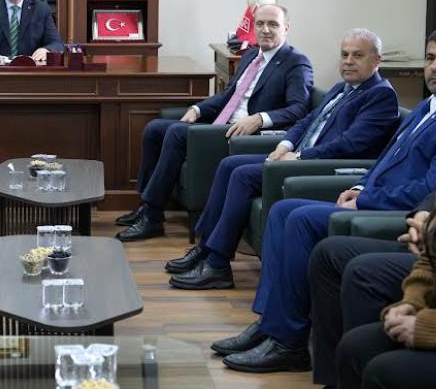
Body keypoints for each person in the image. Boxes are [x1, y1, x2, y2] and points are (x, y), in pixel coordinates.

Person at [215, 27, 436, 374]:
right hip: (370, 197)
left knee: (299, 218)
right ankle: (271, 325)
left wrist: (368, 200)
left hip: (393, 215)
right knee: (282, 211)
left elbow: (430, 189)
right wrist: (360, 186)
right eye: (430, 58)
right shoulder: (427, 106)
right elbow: (384, 160)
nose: (434, 66)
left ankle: (288, 341)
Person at [168, 29, 400, 289]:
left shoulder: (380, 95)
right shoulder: (341, 88)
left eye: (357, 55)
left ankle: (218, 264)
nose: (348, 61)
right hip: (299, 155)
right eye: (344, 55)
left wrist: (299, 156)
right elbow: (307, 120)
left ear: (376, 60)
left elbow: (351, 144)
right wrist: (284, 145)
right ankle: (206, 249)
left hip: (321, 167)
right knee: (229, 164)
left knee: (243, 175)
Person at [336, 46, 436, 389]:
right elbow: (431, 256)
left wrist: (430, 328)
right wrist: (411, 303)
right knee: (354, 347)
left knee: (386, 371)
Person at [116, 3, 313, 241]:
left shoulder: (296, 62)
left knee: (177, 133)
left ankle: (153, 217)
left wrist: (260, 119)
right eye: (260, 24)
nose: (265, 30)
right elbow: (228, 95)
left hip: (246, 136)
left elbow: (299, 109)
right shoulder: (251, 55)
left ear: (286, 28)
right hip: (222, 124)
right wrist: (197, 109)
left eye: (273, 24)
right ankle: (145, 205)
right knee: (154, 128)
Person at [307, 195, 431, 387]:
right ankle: (334, 379)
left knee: (362, 272)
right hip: (429, 248)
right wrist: (422, 215)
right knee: (327, 253)